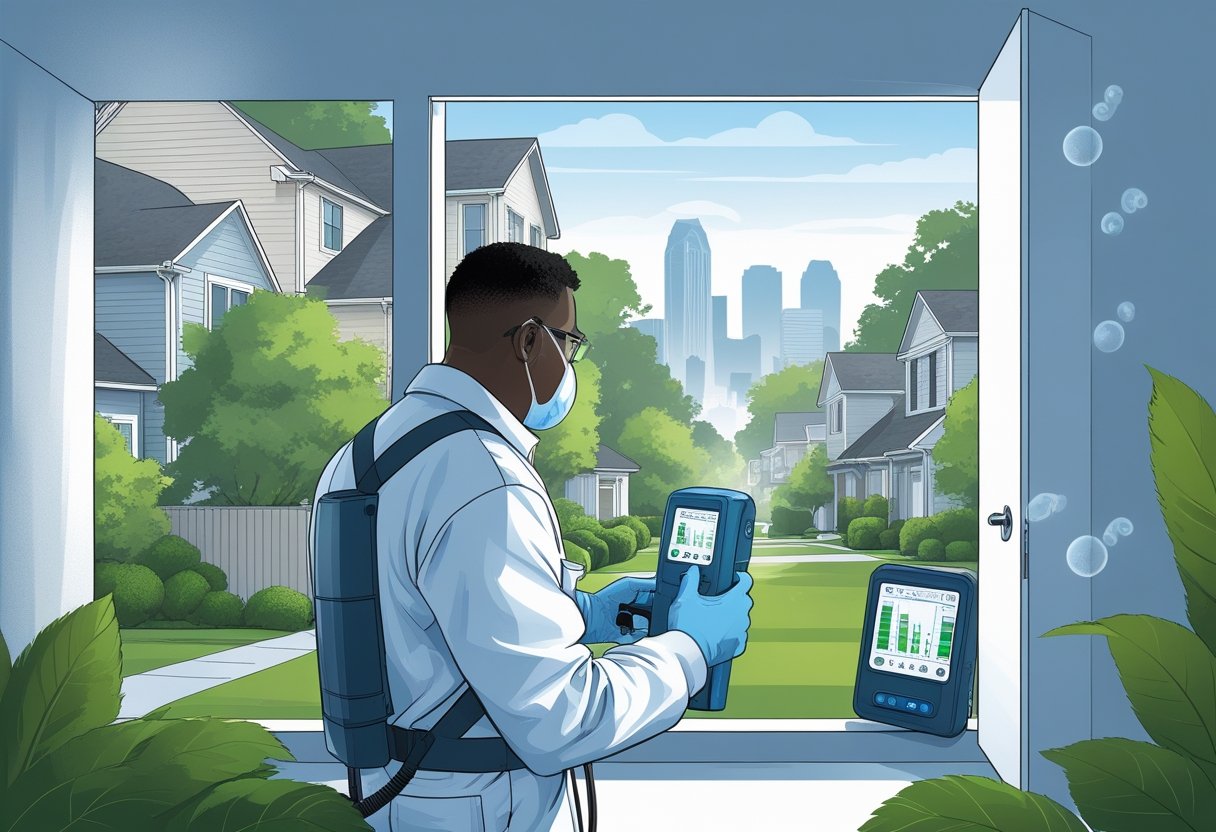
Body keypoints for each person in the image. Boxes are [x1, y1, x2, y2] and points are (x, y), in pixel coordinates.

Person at [310, 242, 754, 831]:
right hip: (480, 805)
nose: (571, 365)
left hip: (392, 792)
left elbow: (427, 623)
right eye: (569, 343)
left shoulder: (366, 453)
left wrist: (586, 615)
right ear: (530, 341)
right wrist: (692, 649)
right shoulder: (487, 481)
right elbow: (561, 719)